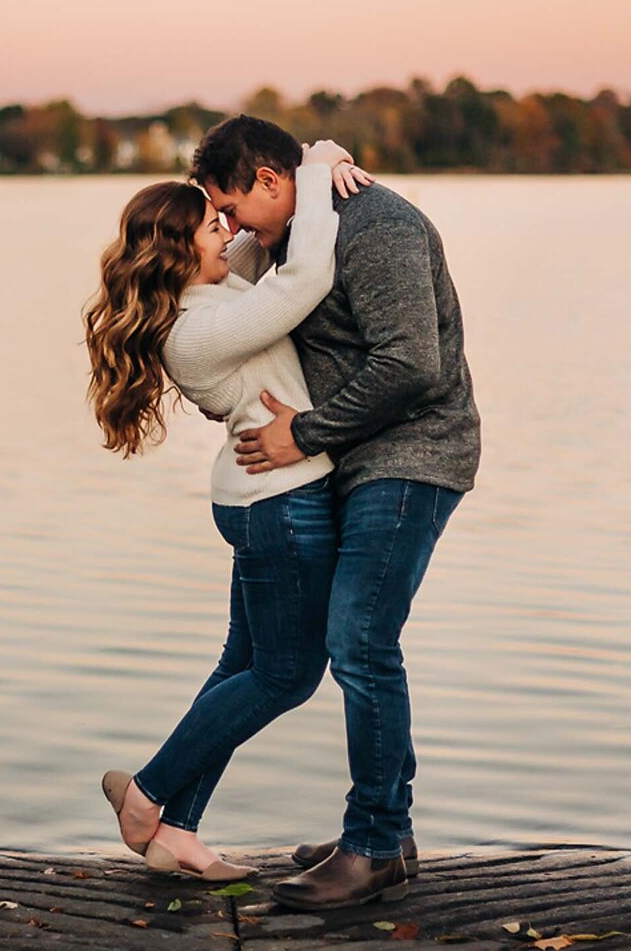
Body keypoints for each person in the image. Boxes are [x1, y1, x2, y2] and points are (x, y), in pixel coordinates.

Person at [191, 115, 480, 910]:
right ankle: (389, 828)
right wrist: (320, 159)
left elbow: (413, 364)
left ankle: (375, 844)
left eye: (231, 207)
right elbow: (213, 285)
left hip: (414, 453)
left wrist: (304, 435)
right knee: (351, 639)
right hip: (348, 463)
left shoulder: (378, 226)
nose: (226, 226)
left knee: (358, 638)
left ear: (269, 183)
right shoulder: (291, 229)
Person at [84, 140, 372, 881]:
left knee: (242, 665)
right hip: (279, 505)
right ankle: (148, 794)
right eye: (213, 227)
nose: (228, 230)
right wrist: (312, 173)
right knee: (286, 677)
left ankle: (178, 830)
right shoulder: (201, 329)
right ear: (181, 256)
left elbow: (256, 244)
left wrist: (308, 175)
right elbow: (306, 273)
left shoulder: (209, 295)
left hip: (265, 501)